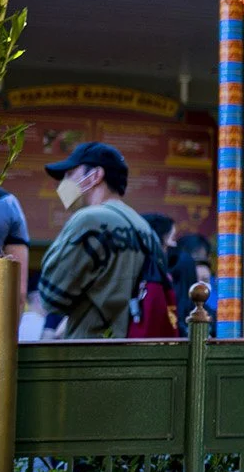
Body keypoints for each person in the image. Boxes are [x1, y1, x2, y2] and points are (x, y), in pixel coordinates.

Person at [33, 142, 161, 339]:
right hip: (136, 348)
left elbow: (51, 297)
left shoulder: (89, 220)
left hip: (91, 349)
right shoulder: (146, 230)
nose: (63, 184)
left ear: (95, 176)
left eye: (69, 174)